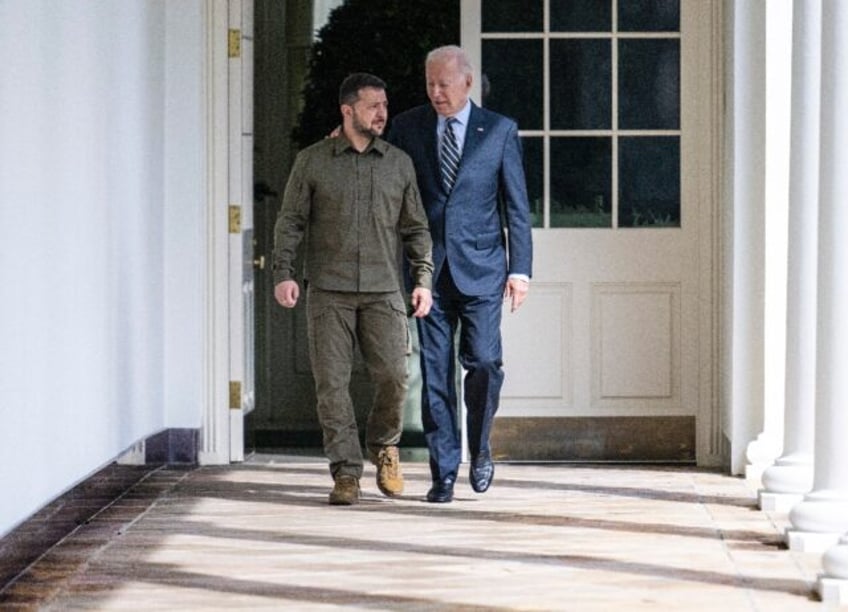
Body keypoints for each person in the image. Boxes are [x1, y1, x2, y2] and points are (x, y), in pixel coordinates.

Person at [272, 73, 434, 506]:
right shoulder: (313, 161)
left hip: (384, 291)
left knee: (394, 377)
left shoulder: (398, 163)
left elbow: (416, 228)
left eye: (385, 104)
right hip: (329, 291)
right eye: (372, 106)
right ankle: (345, 472)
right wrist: (283, 272)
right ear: (347, 111)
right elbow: (291, 221)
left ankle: (384, 446)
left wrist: (423, 278)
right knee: (332, 385)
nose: (382, 113)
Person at [388, 45, 533, 503]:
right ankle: (443, 472)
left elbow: (517, 208)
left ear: (467, 83)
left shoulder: (500, 132)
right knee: (435, 375)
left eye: (444, 85)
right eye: (430, 84)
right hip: (427, 273)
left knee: (484, 362)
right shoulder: (407, 127)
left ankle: (482, 444)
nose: (435, 93)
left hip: (484, 269)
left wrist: (521, 271)